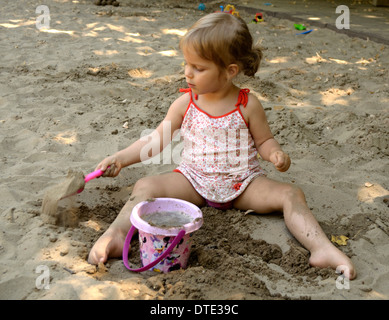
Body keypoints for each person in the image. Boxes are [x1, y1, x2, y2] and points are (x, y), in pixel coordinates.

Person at [88, 13, 356, 279]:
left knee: (291, 194)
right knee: (145, 186)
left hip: (243, 183)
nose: (187, 73)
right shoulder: (185, 103)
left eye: (199, 68)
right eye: (187, 64)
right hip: (192, 180)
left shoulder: (247, 104)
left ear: (230, 71)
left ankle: (321, 248)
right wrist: (121, 158)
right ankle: (116, 234)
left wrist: (274, 153)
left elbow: (263, 140)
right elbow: (156, 139)